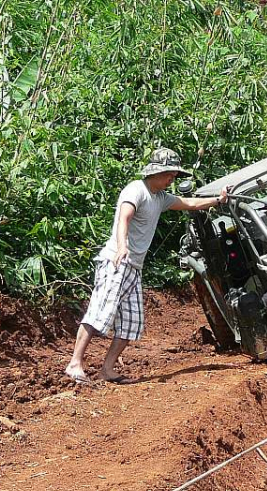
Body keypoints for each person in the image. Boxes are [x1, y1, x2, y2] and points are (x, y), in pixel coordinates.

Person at [65, 148, 227, 383]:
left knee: (132, 323)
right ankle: (74, 363)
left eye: (174, 175)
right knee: (99, 313)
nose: (172, 179)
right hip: (115, 262)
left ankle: (107, 370)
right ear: (157, 171)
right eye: (170, 174)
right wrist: (122, 246)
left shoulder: (161, 198)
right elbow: (124, 218)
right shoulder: (136, 190)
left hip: (134, 268)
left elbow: (190, 203)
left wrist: (218, 200)